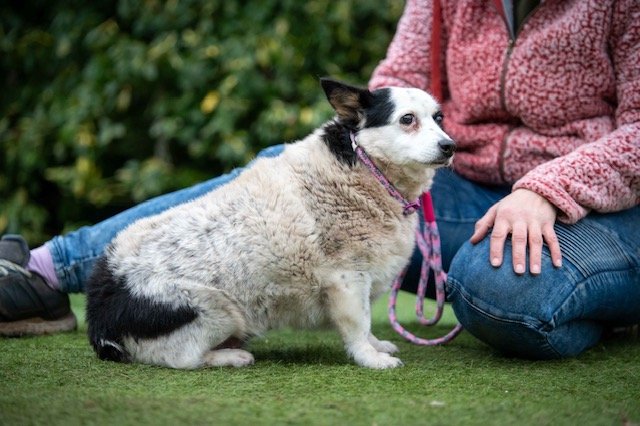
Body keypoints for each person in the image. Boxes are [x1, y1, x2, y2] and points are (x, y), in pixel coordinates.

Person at [1, 0, 638, 359]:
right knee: (282, 165)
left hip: (592, 204)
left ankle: (600, 296)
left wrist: (546, 189)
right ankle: (44, 270)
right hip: (453, 182)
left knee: (502, 290)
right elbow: (392, 94)